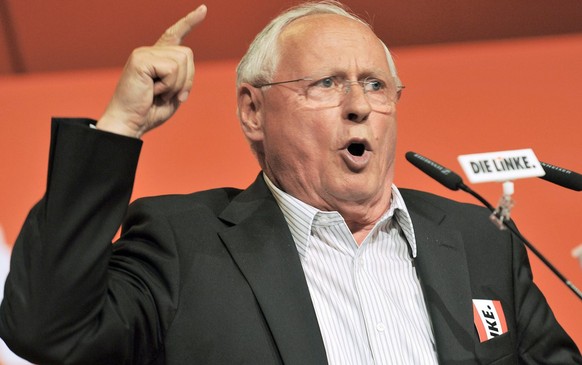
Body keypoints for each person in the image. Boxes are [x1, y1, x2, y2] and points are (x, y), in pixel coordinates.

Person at [0, 1, 580, 364]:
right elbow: (47, 331)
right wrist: (119, 127)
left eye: (376, 86)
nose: (359, 107)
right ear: (254, 111)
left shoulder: (478, 237)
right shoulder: (185, 245)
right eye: (326, 84)